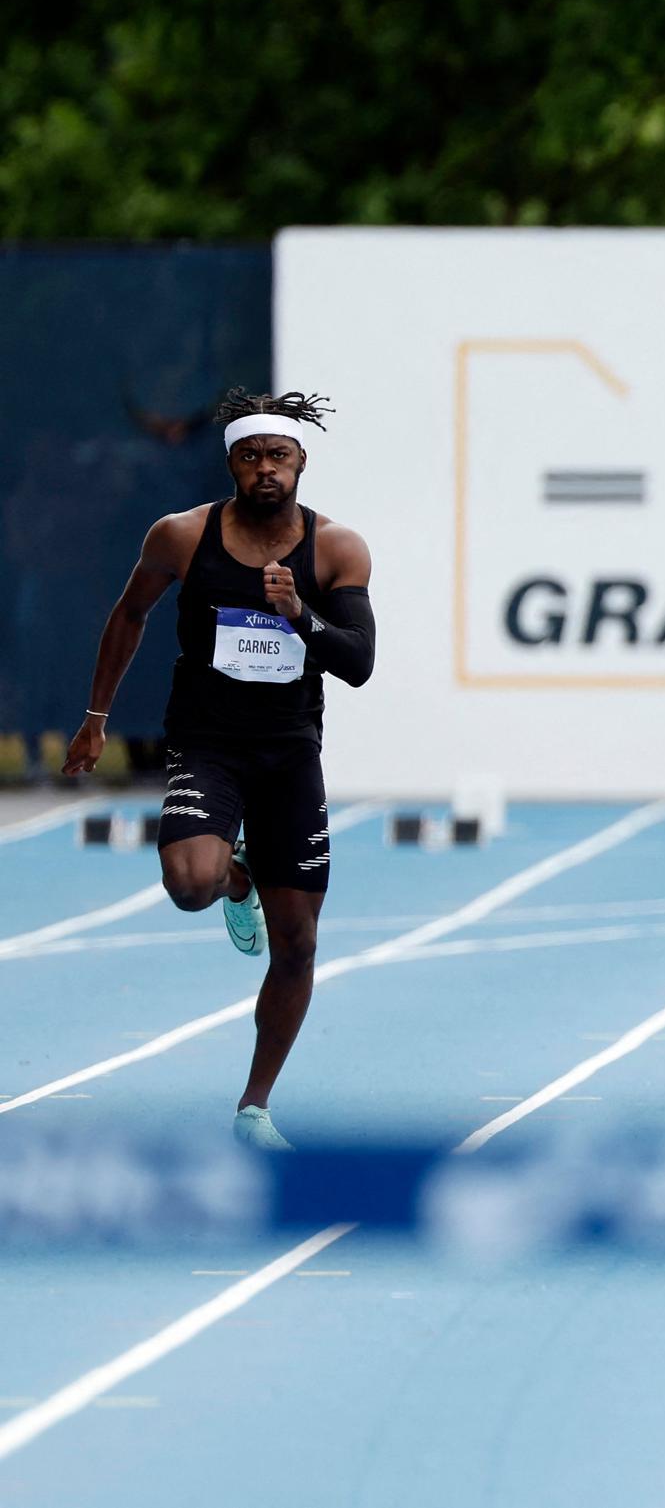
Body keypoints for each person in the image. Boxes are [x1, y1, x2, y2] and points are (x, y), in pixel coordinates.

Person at [62, 390, 377, 1151]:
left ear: (301, 462)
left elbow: (360, 664)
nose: (265, 468)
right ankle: (237, 877)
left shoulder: (336, 548)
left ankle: (254, 1107)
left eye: (279, 455)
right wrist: (96, 717)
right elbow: (128, 613)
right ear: (231, 462)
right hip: (205, 741)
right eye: (250, 455)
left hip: (290, 750)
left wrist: (300, 613)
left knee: (297, 942)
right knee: (189, 884)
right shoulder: (182, 535)